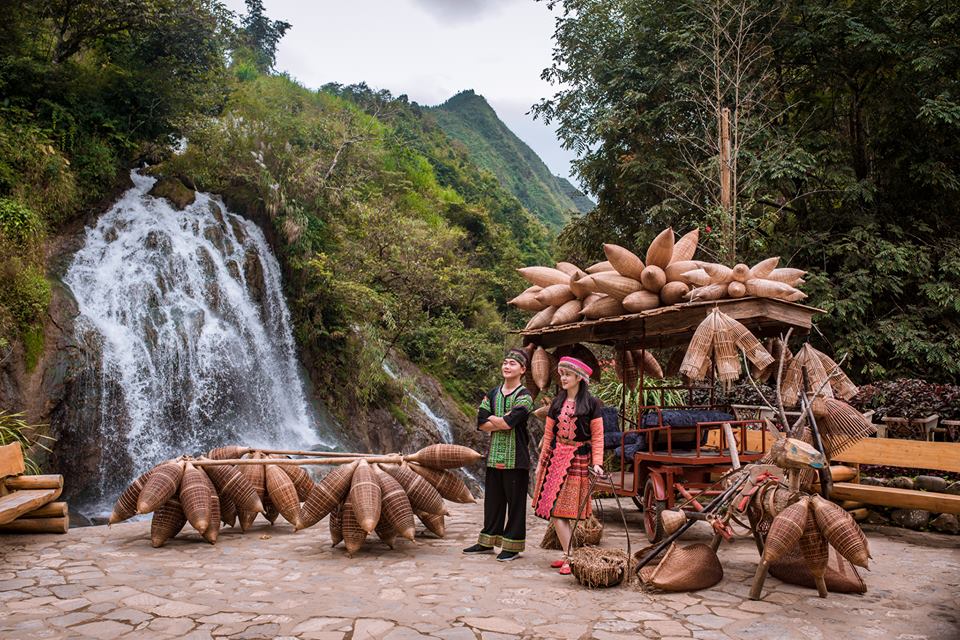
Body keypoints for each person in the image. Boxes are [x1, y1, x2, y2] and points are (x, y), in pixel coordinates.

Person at [531, 356, 604, 575]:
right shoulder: (557, 403)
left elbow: (598, 436)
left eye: (568, 375)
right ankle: (569, 556)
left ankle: (569, 556)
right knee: (555, 510)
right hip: (555, 459)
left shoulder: (592, 404)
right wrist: (541, 463)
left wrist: (598, 463)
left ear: (579, 378)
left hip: (578, 459)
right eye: (561, 374)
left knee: (566, 510)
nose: (563, 378)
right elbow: (548, 434)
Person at [462, 348, 535, 561]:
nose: (506, 366)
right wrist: (500, 420)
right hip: (494, 456)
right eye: (504, 362)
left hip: (516, 458)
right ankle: (486, 542)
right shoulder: (493, 393)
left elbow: (508, 422)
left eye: (512, 363)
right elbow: (481, 423)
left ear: (523, 369)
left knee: (515, 504)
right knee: (492, 501)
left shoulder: (525, 396)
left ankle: (512, 545)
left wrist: (496, 419)